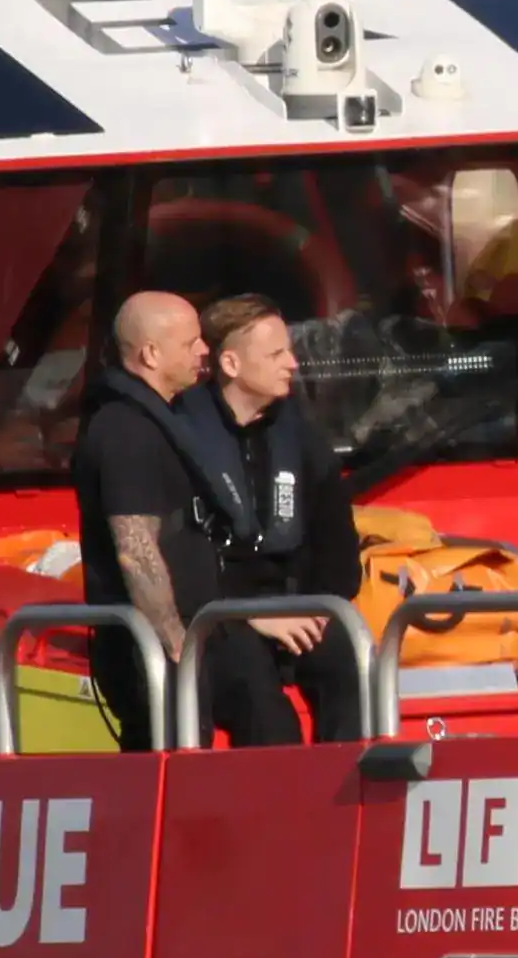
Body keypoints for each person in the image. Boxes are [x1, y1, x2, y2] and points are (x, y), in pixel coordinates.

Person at [190, 292, 366, 747]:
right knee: (261, 705)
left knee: (350, 665)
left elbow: (337, 551)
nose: (292, 363)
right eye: (276, 354)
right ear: (230, 364)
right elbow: (179, 555)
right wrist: (249, 617)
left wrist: (314, 607)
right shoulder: (182, 438)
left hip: (295, 605)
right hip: (216, 615)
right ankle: (282, 809)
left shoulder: (304, 438)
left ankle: (349, 798)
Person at [69, 290, 221, 751]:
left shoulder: (162, 419)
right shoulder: (124, 431)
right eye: (191, 342)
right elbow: (135, 547)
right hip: (150, 648)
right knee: (170, 759)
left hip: (182, 634)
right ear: (151, 354)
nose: (204, 350)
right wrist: (172, 637)